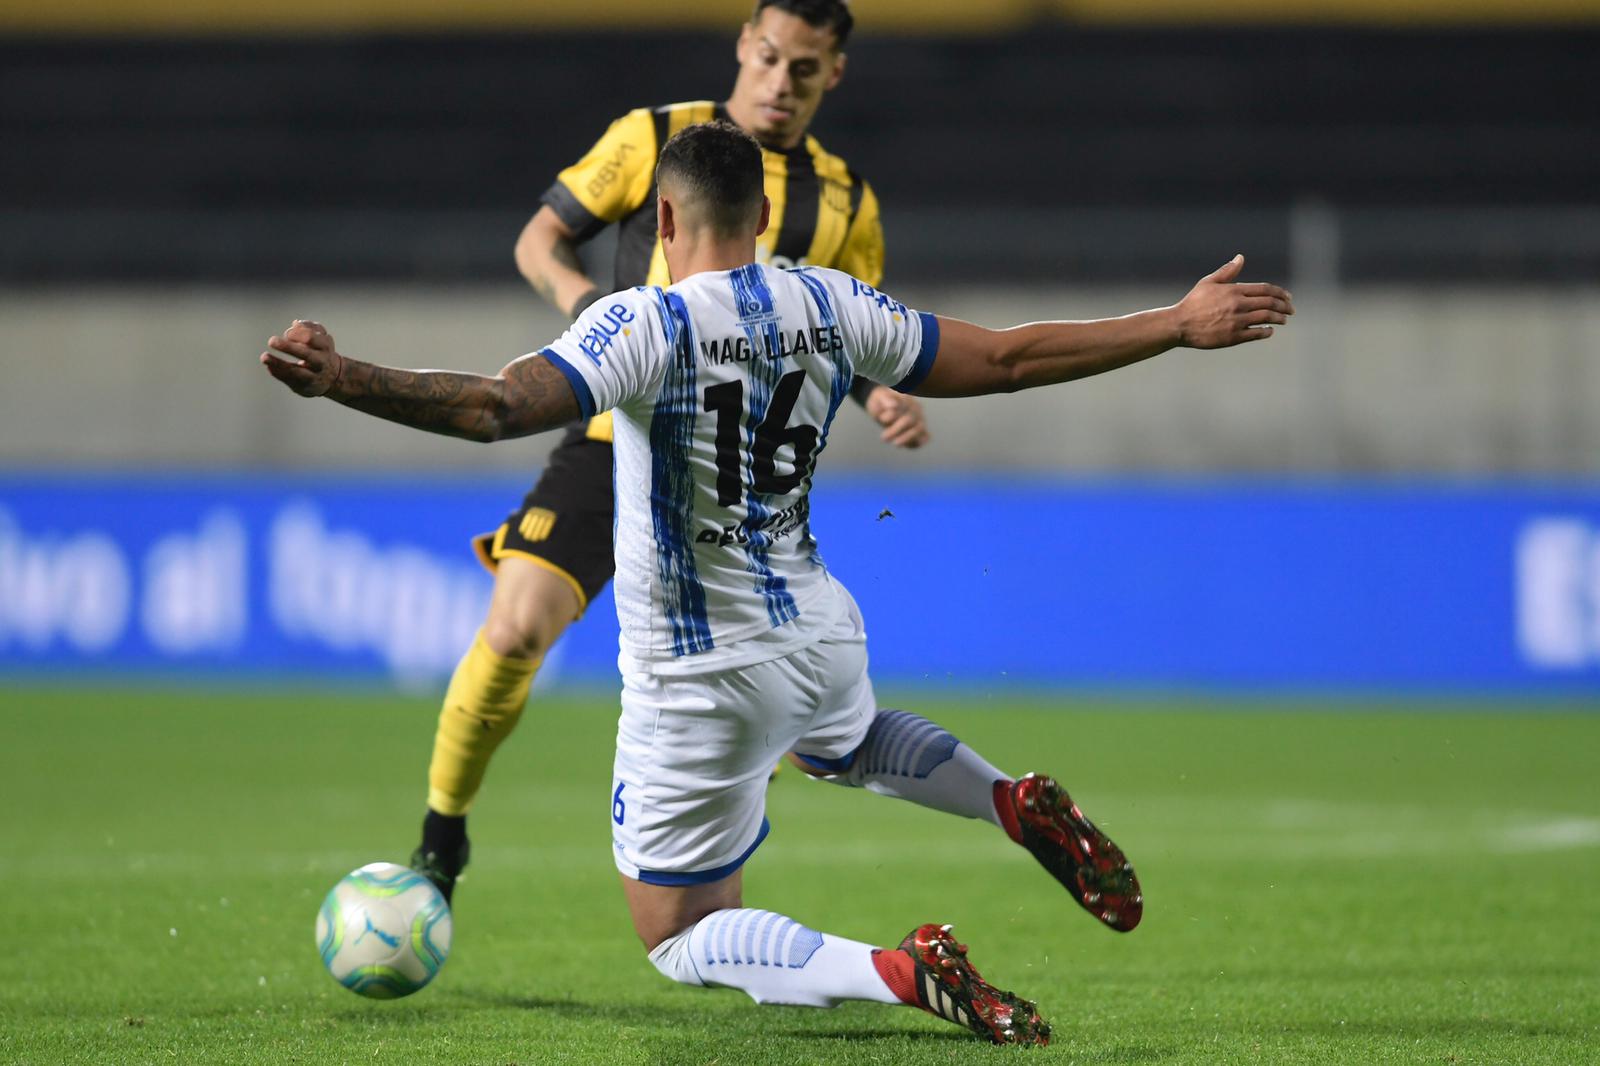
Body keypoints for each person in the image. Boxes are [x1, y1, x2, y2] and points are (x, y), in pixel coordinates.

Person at [261, 121, 1293, 1045]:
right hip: (819, 628)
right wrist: (1173, 322)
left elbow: (495, 408)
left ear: (661, 218)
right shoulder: (829, 297)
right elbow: (1010, 360)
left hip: (698, 671)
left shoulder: (644, 324)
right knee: (840, 742)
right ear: (762, 215)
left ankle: (895, 972)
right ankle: (1004, 799)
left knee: (677, 931)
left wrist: (343, 376)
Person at [415, 0, 929, 902]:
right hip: (617, 438)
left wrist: (879, 392)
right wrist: (589, 311)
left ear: (832, 74)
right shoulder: (657, 137)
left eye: (803, 69)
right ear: (744, 45)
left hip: (725, 477)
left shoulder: (845, 203)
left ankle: (699, 889)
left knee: (744, 694)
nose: (780, 81)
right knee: (512, 631)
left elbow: (846, 334)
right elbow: (540, 238)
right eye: (769, 57)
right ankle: (440, 832)